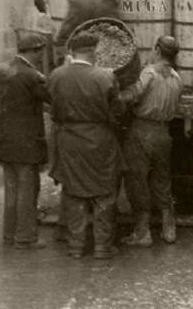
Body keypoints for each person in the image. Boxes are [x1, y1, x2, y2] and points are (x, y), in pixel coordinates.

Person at [47, 32, 124, 259]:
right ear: (93, 51)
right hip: (100, 140)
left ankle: (76, 245)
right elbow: (117, 113)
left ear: (72, 52)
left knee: (73, 192)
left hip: (69, 140)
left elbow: (53, 109)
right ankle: (102, 246)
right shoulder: (106, 77)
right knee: (104, 193)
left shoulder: (57, 75)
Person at [119, 36, 183, 246]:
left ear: (157, 49)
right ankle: (169, 229)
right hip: (164, 134)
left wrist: (118, 93)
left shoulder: (149, 72)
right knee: (162, 180)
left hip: (142, 131)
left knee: (137, 180)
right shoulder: (176, 77)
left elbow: (133, 95)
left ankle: (142, 233)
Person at [0, 30, 51, 249]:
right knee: (27, 191)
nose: (41, 57)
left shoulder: (4, 70)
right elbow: (51, 97)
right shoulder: (32, 76)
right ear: (34, 51)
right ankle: (25, 237)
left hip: (6, 140)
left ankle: (9, 235)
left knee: (11, 191)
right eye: (40, 53)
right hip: (26, 142)